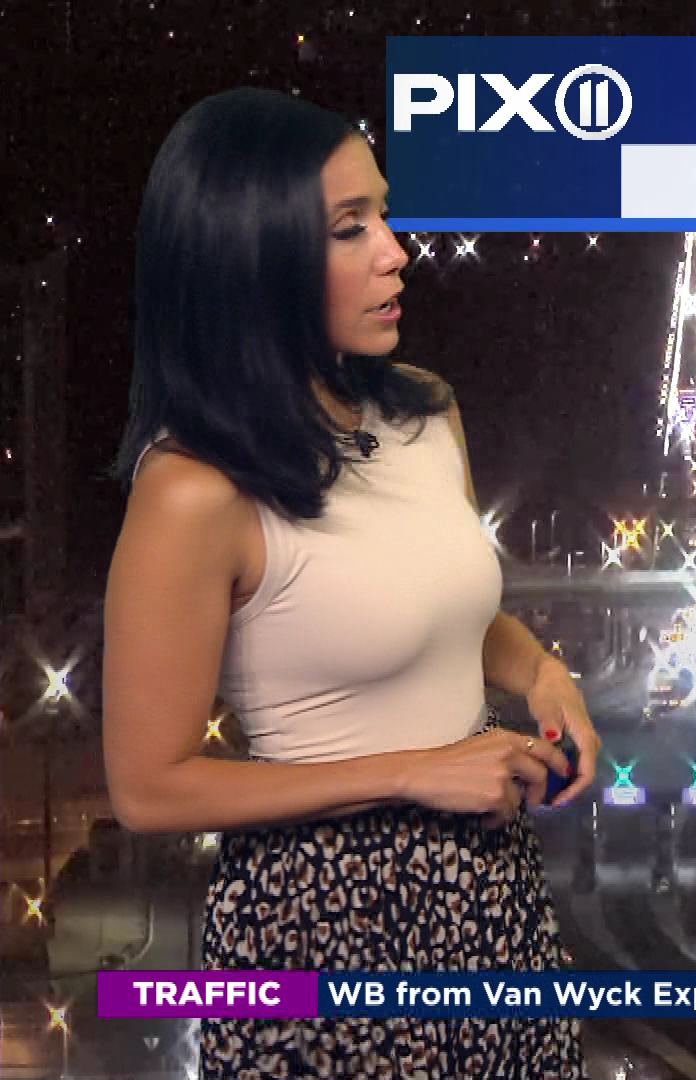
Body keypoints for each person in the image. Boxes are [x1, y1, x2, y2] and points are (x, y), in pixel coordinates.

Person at [102, 87, 597, 1078]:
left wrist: (543, 672)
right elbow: (147, 789)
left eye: (384, 214)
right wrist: (413, 773)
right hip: (318, 923)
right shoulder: (193, 493)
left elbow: (445, 613)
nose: (396, 252)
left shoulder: (426, 412)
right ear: (255, 259)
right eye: (349, 228)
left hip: (493, 892)